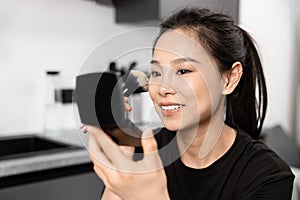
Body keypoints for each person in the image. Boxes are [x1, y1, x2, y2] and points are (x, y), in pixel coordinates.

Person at [82, 7, 295, 200]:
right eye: (156, 72)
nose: (163, 88)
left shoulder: (267, 175)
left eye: (183, 71)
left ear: (229, 79)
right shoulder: (145, 153)